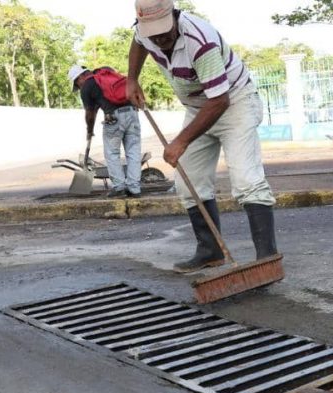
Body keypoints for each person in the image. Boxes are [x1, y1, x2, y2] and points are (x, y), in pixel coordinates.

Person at [125, 0, 278, 273]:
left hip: (235, 103)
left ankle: (267, 258)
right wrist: (131, 79)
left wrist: (181, 141)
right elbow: (138, 43)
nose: (159, 39)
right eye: (153, 34)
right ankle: (211, 250)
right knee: (188, 182)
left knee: (246, 180)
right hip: (198, 108)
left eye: (165, 32)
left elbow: (219, 101)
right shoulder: (145, 31)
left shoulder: (200, 40)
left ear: (174, 15)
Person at [68, 65, 143, 198]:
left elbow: (90, 113)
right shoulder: (106, 76)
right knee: (133, 151)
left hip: (113, 118)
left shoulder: (87, 86)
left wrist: (89, 131)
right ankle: (134, 188)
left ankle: (119, 187)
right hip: (132, 114)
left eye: (77, 84)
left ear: (80, 77)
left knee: (112, 153)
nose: (79, 87)